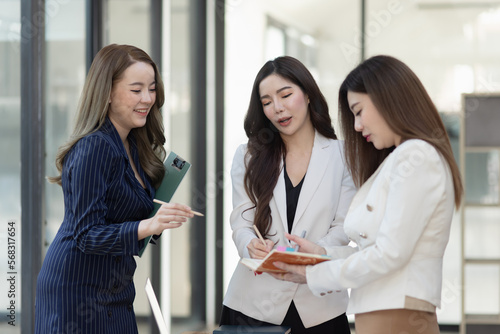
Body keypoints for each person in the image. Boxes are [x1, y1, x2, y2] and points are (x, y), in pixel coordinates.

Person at [272, 55, 464, 334]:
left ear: (388, 99)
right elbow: (373, 249)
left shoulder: (416, 156)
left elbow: (389, 254)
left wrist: (314, 273)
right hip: (385, 311)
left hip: (396, 313)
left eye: (359, 111)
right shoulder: (400, 159)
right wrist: (321, 254)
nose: (358, 125)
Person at [35, 44, 194, 333]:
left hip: (115, 288)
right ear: (107, 92)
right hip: (77, 290)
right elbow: (86, 234)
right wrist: (148, 225)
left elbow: (124, 220)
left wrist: (158, 221)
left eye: (152, 89)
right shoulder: (94, 147)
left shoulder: (134, 145)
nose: (147, 98)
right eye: (136, 90)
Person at [220, 56, 356, 334]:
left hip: (320, 306)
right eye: (267, 102)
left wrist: (309, 255)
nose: (277, 108)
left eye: (285, 95)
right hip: (254, 305)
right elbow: (241, 222)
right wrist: (249, 246)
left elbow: (343, 226)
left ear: (307, 94)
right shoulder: (248, 156)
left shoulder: (343, 156)